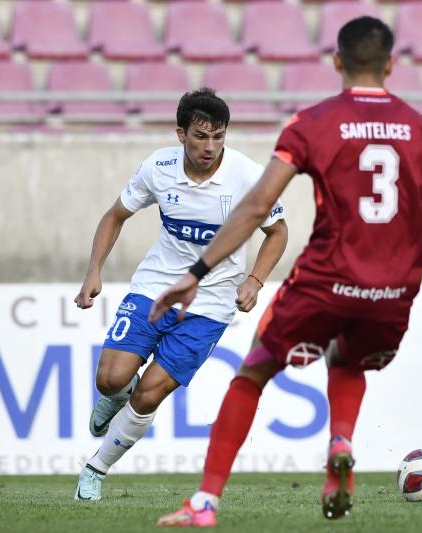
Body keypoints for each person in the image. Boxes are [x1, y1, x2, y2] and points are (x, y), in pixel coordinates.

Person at [151, 17, 422, 527]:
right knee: (348, 360)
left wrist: (196, 272)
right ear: (390, 65)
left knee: (253, 371)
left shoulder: (313, 123)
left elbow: (258, 205)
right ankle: (342, 441)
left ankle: (205, 502)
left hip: (325, 281)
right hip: (393, 289)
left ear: (337, 62)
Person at [73, 88, 288, 501]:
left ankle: (95, 470)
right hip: (156, 287)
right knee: (110, 379)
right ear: (180, 134)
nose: (210, 147)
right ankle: (116, 394)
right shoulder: (159, 167)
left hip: (211, 304)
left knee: (148, 394)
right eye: (200, 136)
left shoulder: (247, 176)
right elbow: (115, 216)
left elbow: (277, 232)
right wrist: (93, 271)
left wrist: (255, 280)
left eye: (218, 137)